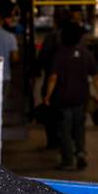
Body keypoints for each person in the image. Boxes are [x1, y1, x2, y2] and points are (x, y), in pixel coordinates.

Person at [43, 22, 98, 171]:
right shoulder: (86, 54)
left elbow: (53, 78)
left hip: (63, 99)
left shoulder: (59, 55)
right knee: (79, 128)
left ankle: (68, 160)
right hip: (80, 99)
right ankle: (81, 154)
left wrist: (47, 95)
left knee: (64, 130)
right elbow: (96, 77)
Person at [34, 8, 73, 150]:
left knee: (50, 112)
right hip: (71, 82)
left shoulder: (51, 37)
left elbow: (42, 57)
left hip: (52, 79)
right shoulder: (75, 37)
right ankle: (68, 143)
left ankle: (53, 140)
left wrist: (36, 70)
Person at [0, 0, 19, 88]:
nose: (12, 19)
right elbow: (15, 58)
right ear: (6, 17)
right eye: (11, 16)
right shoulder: (10, 37)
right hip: (4, 77)